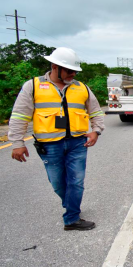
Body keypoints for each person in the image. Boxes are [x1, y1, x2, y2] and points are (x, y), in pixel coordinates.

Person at [9, 47, 105, 231]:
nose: (73, 74)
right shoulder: (33, 86)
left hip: (78, 142)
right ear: (54, 67)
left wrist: (96, 131)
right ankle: (71, 205)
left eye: (75, 71)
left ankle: (71, 218)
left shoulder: (82, 87)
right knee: (58, 183)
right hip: (49, 145)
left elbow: (95, 111)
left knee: (76, 181)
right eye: (69, 70)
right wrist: (17, 142)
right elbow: (20, 115)